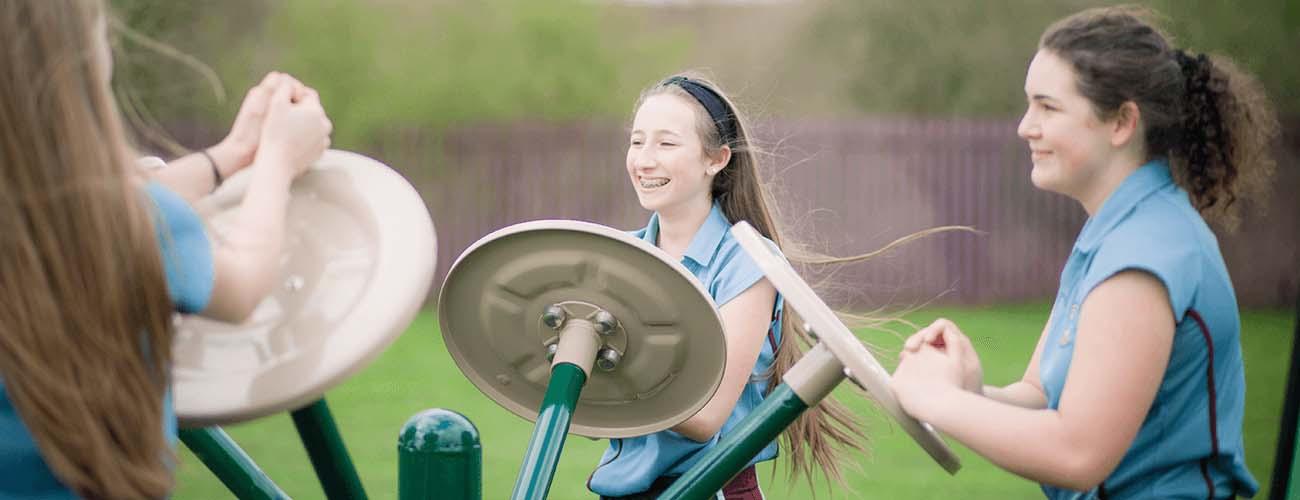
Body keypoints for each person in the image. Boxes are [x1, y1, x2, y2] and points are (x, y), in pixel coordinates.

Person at [889, 6, 1277, 499]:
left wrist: (940, 402)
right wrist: (969, 393)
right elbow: (1043, 400)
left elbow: (1078, 454)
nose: (1024, 127)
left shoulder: (1146, 255)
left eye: (1048, 108)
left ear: (1121, 123)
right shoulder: (1114, 235)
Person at [0, 1, 332, 498]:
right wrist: (279, 161)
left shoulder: (50, 224)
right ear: (75, 66)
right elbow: (242, 282)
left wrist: (231, 157)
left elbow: (88, 211)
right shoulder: (132, 224)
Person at [585, 73, 868, 500]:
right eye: (637, 141)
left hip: (708, 489)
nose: (644, 160)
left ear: (715, 159)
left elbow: (705, 417)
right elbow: (588, 415)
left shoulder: (747, 263)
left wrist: (610, 372)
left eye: (666, 143)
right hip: (622, 491)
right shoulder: (623, 256)